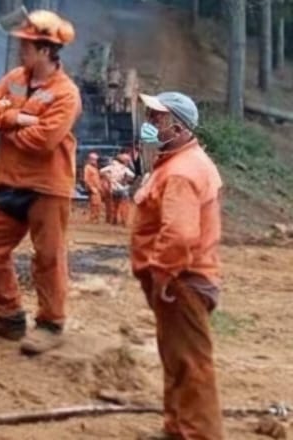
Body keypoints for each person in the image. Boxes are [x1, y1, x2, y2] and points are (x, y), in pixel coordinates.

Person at [0, 9, 84, 355]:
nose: (20, 49)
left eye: (26, 45)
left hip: (47, 186)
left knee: (48, 256)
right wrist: (18, 118)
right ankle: (9, 316)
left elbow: (45, 140)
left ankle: (51, 323)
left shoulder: (66, 93)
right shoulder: (15, 79)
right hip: (10, 180)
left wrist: (8, 126)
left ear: (46, 50)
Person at [130, 91, 223, 440]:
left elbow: (180, 234)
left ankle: (198, 434)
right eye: (151, 117)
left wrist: (162, 273)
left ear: (180, 127)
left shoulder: (182, 172)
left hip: (181, 280)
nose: (151, 125)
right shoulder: (176, 164)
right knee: (176, 358)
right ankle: (177, 430)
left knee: (191, 366)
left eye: (158, 119)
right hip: (178, 279)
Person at [103, 151, 137, 226]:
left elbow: (101, 171)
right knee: (124, 205)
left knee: (114, 205)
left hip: (113, 188)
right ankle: (124, 221)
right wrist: (125, 179)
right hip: (122, 188)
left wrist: (109, 177)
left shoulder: (111, 167)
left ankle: (114, 220)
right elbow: (132, 175)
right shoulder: (124, 168)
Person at [82, 153, 106, 224]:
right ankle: (93, 219)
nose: (95, 161)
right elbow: (86, 179)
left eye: (96, 159)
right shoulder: (87, 167)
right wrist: (91, 188)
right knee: (94, 204)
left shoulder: (95, 168)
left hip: (98, 188)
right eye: (93, 159)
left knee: (98, 204)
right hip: (93, 189)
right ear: (90, 159)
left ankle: (96, 218)